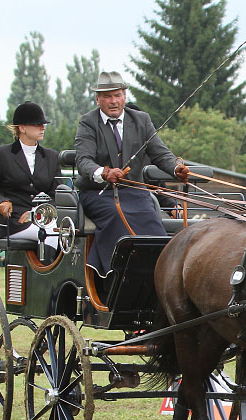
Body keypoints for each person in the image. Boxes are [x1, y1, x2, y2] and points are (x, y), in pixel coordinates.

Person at [74, 71, 188, 276]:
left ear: (125, 97)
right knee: (117, 216)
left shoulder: (141, 120)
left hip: (135, 192)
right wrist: (104, 172)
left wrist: (175, 169)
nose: (113, 101)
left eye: (117, 95)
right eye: (107, 96)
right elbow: (83, 161)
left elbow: (160, 153)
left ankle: (159, 272)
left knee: (152, 222)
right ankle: (117, 274)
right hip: (98, 194)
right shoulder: (88, 122)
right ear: (97, 99)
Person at [0, 102, 60, 252]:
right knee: (50, 234)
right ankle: (45, 273)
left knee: (65, 233)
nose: (42, 127)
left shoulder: (52, 156)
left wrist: (37, 212)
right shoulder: (2, 154)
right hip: (13, 222)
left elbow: (56, 193)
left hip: (43, 218)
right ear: (22, 128)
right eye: (37, 124)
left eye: (43, 124)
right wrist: (1, 201)